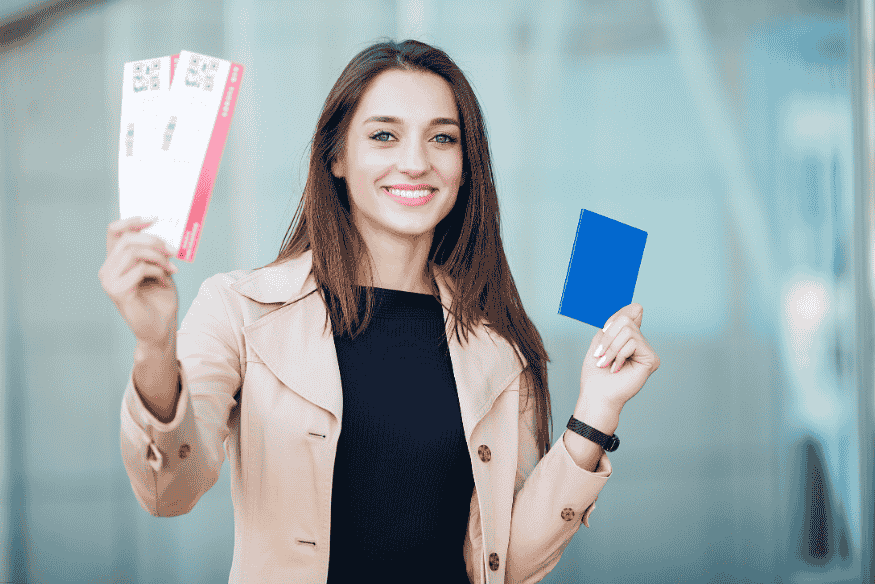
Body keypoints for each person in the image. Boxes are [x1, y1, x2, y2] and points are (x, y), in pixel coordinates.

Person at [99, 39, 660, 584]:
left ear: (466, 164)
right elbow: (168, 492)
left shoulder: (500, 343)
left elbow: (504, 565)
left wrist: (596, 412)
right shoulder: (240, 309)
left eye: (443, 138)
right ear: (337, 156)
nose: (415, 163)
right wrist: (154, 347)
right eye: (385, 136)